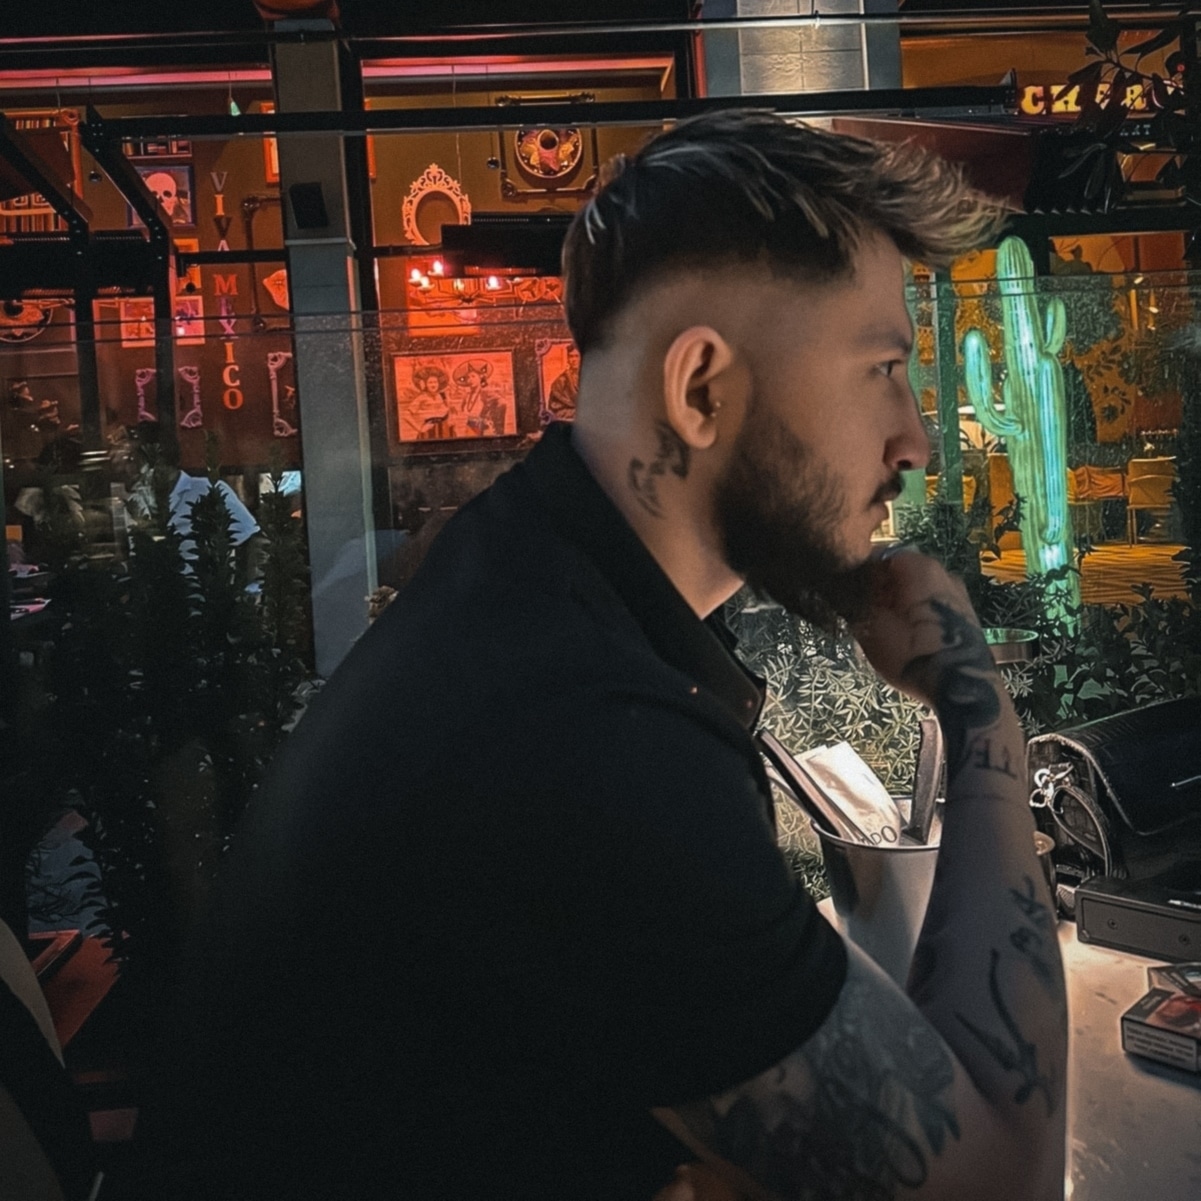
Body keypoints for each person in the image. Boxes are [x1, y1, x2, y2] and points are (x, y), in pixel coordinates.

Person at [139, 111, 1066, 1200]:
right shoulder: (582, 736)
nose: (915, 439)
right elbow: (998, 1177)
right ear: (701, 389)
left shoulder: (527, 584)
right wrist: (976, 702)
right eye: (882, 369)